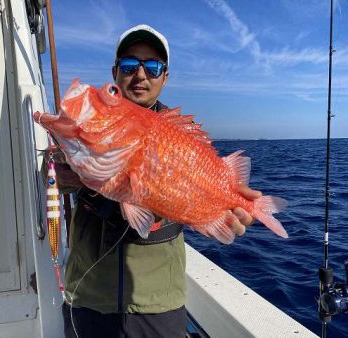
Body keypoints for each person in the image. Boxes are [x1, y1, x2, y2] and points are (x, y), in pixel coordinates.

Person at [53, 24, 261, 338]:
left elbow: (178, 196)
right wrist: (64, 166)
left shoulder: (180, 137)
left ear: (165, 76)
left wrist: (221, 207)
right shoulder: (87, 121)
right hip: (89, 294)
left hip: (158, 301)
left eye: (152, 67)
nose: (140, 74)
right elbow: (58, 174)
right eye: (129, 65)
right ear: (115, 72)